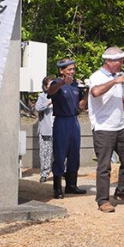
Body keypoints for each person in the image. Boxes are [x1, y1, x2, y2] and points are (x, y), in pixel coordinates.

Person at [89, 47, 124, 213]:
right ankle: (103, 200)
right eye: (120, 61)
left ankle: (122, 192)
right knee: (104, 166)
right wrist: (114, 82)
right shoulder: (97, 76)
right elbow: (95, 92)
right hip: (103, 127)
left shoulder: (118, 77)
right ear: (109, 61)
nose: (122, 64)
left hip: (119, 126)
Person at [48, 58, 89, 199]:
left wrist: (88, 91)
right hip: (61, 121)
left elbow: (80, 106)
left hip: (74, 120)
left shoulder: (75, 85)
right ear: (61, 71)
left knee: (74, 154)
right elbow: (51, 92)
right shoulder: (56, 83)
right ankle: (57, 187)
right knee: (60, 154)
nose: (72, 71)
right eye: (69, 69)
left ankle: (71, 185)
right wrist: (61, 83)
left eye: (73, 69)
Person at [35, 75, 55, 183]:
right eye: (50, 84)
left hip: (58, 129)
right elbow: (38, 108)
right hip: (46, 129)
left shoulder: (60, 95)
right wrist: (49, 102)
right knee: (45, 153)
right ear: (45, 86)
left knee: (61, 153)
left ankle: (62, 172)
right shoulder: (42, 96)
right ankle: (44, 173)